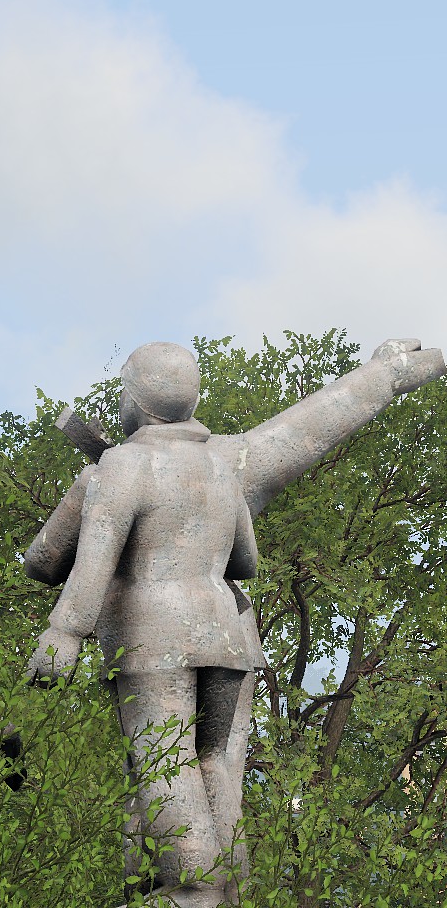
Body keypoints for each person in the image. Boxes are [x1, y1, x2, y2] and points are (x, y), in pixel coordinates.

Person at [25, 336, 445, 905]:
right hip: (224, 636)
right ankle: (221, 884)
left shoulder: (119, 467)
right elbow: (250, 546)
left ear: (136, 403)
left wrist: (64, 631)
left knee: (161, 758)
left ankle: (193, 884)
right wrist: (383, 375)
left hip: (153, 640)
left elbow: (53, 561)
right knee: (213, 763)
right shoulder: (224, 463)